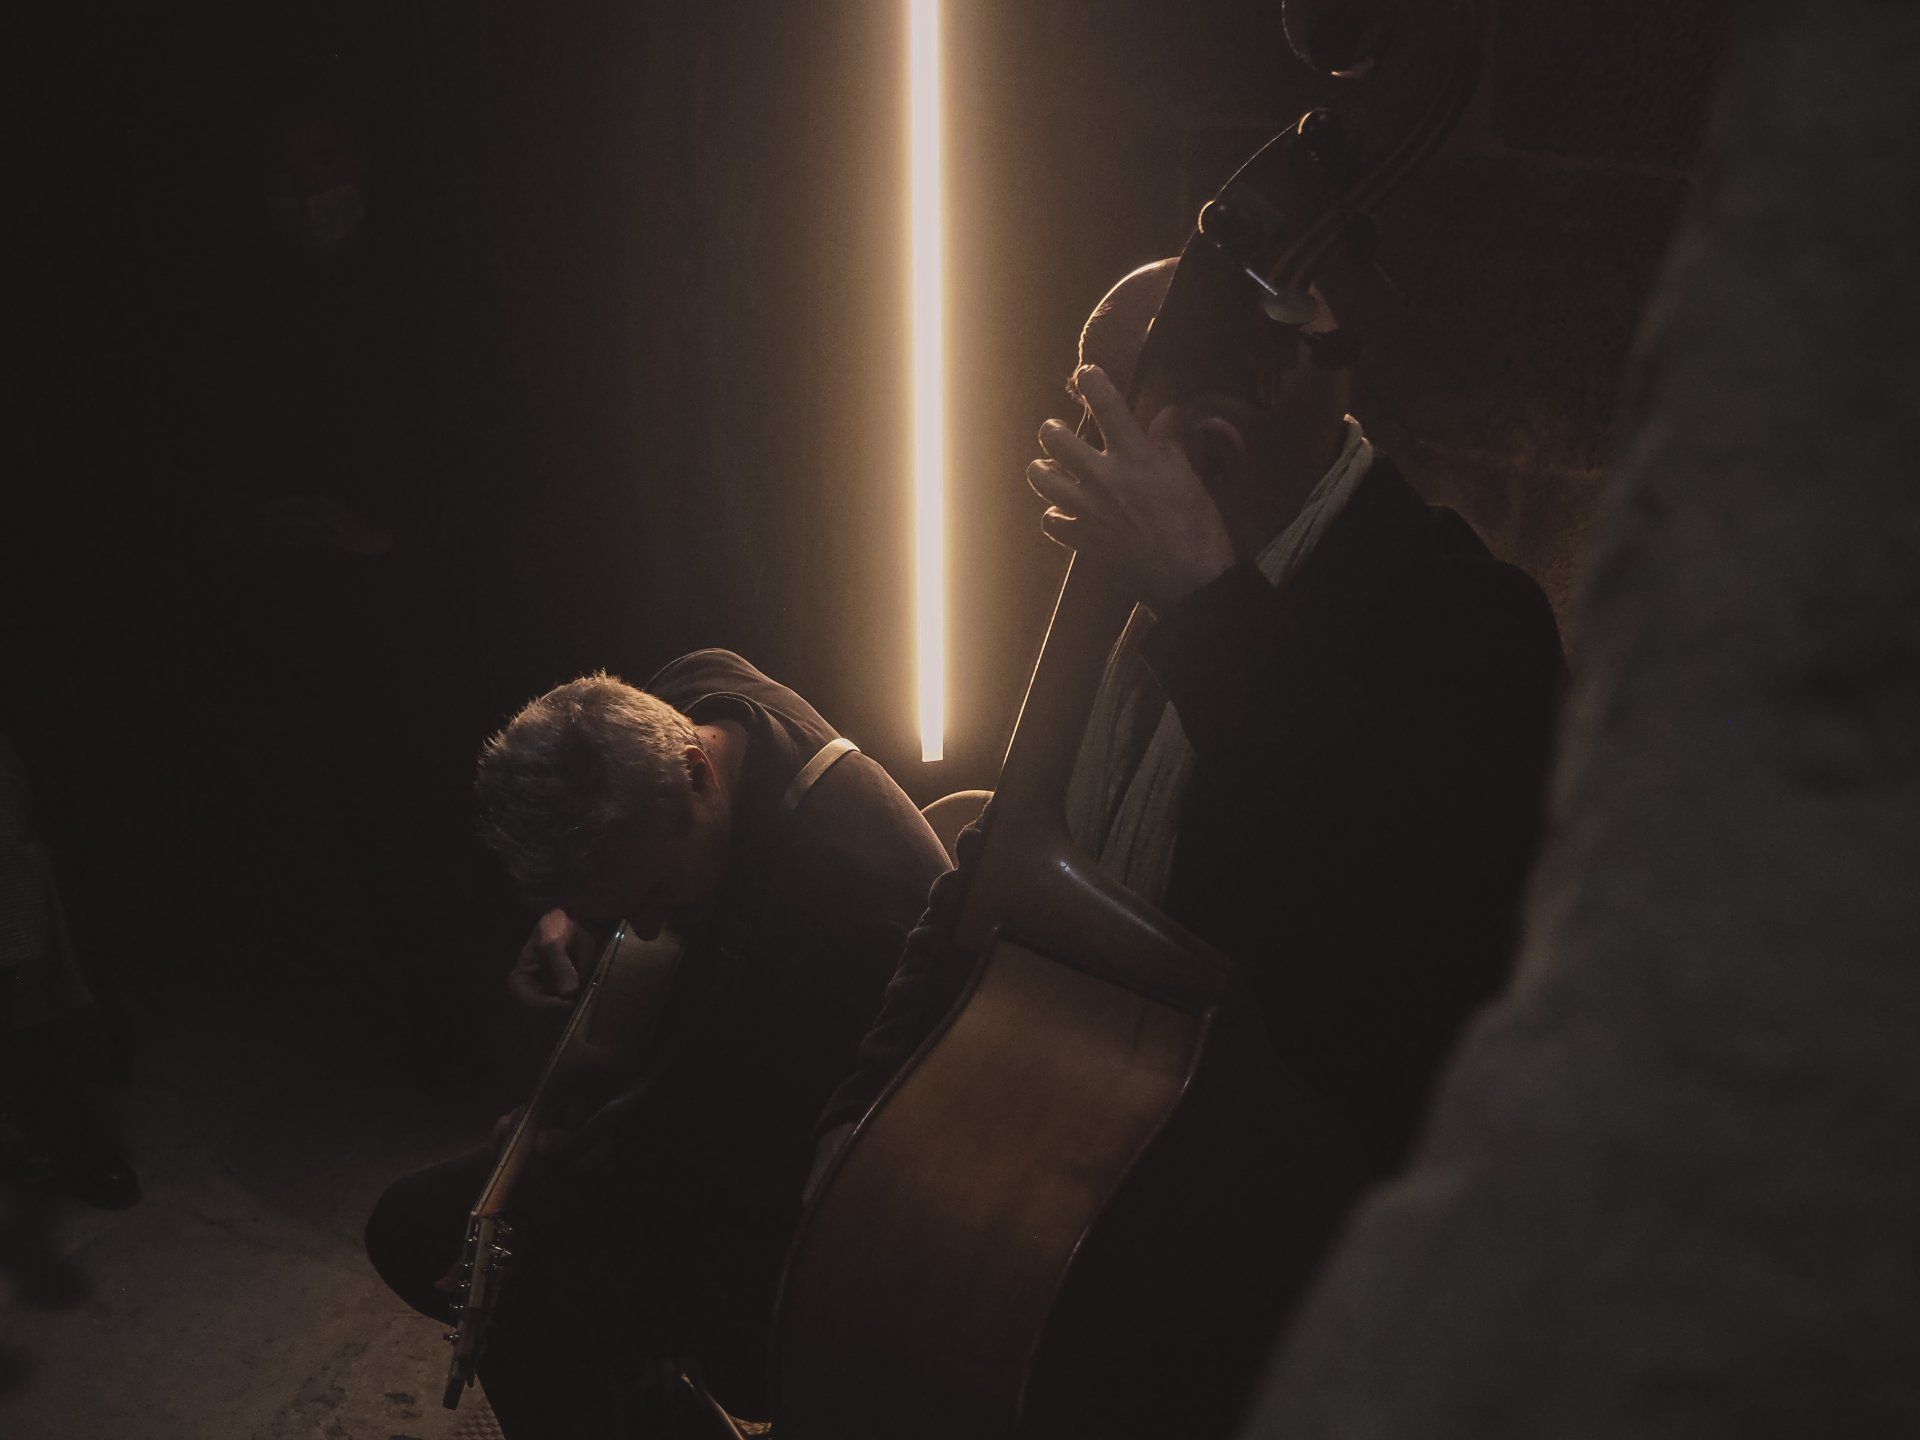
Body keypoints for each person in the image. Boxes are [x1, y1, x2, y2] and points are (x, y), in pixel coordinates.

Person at [811, 258, 1565, 1398]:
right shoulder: (1126, 585)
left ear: (1210, 449)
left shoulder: (1472, 627)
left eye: (1104, 425)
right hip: (1074, 1203)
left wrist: (1210, 608)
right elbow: (996, 861)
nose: (1084, 455)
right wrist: (864, 1108)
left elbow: (1384, 951)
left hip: (1263, 1301)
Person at [365, 650, 951, 1437]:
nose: (638, 929)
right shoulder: (694, 698)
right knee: (407, 1229)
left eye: (652, 898)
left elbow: (768, 1162)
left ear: (698, 775)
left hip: (805, 1222)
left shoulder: (851, 914)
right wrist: (571, 915)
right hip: (699, 1117)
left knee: (523, 1292)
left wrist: (574, 1157)